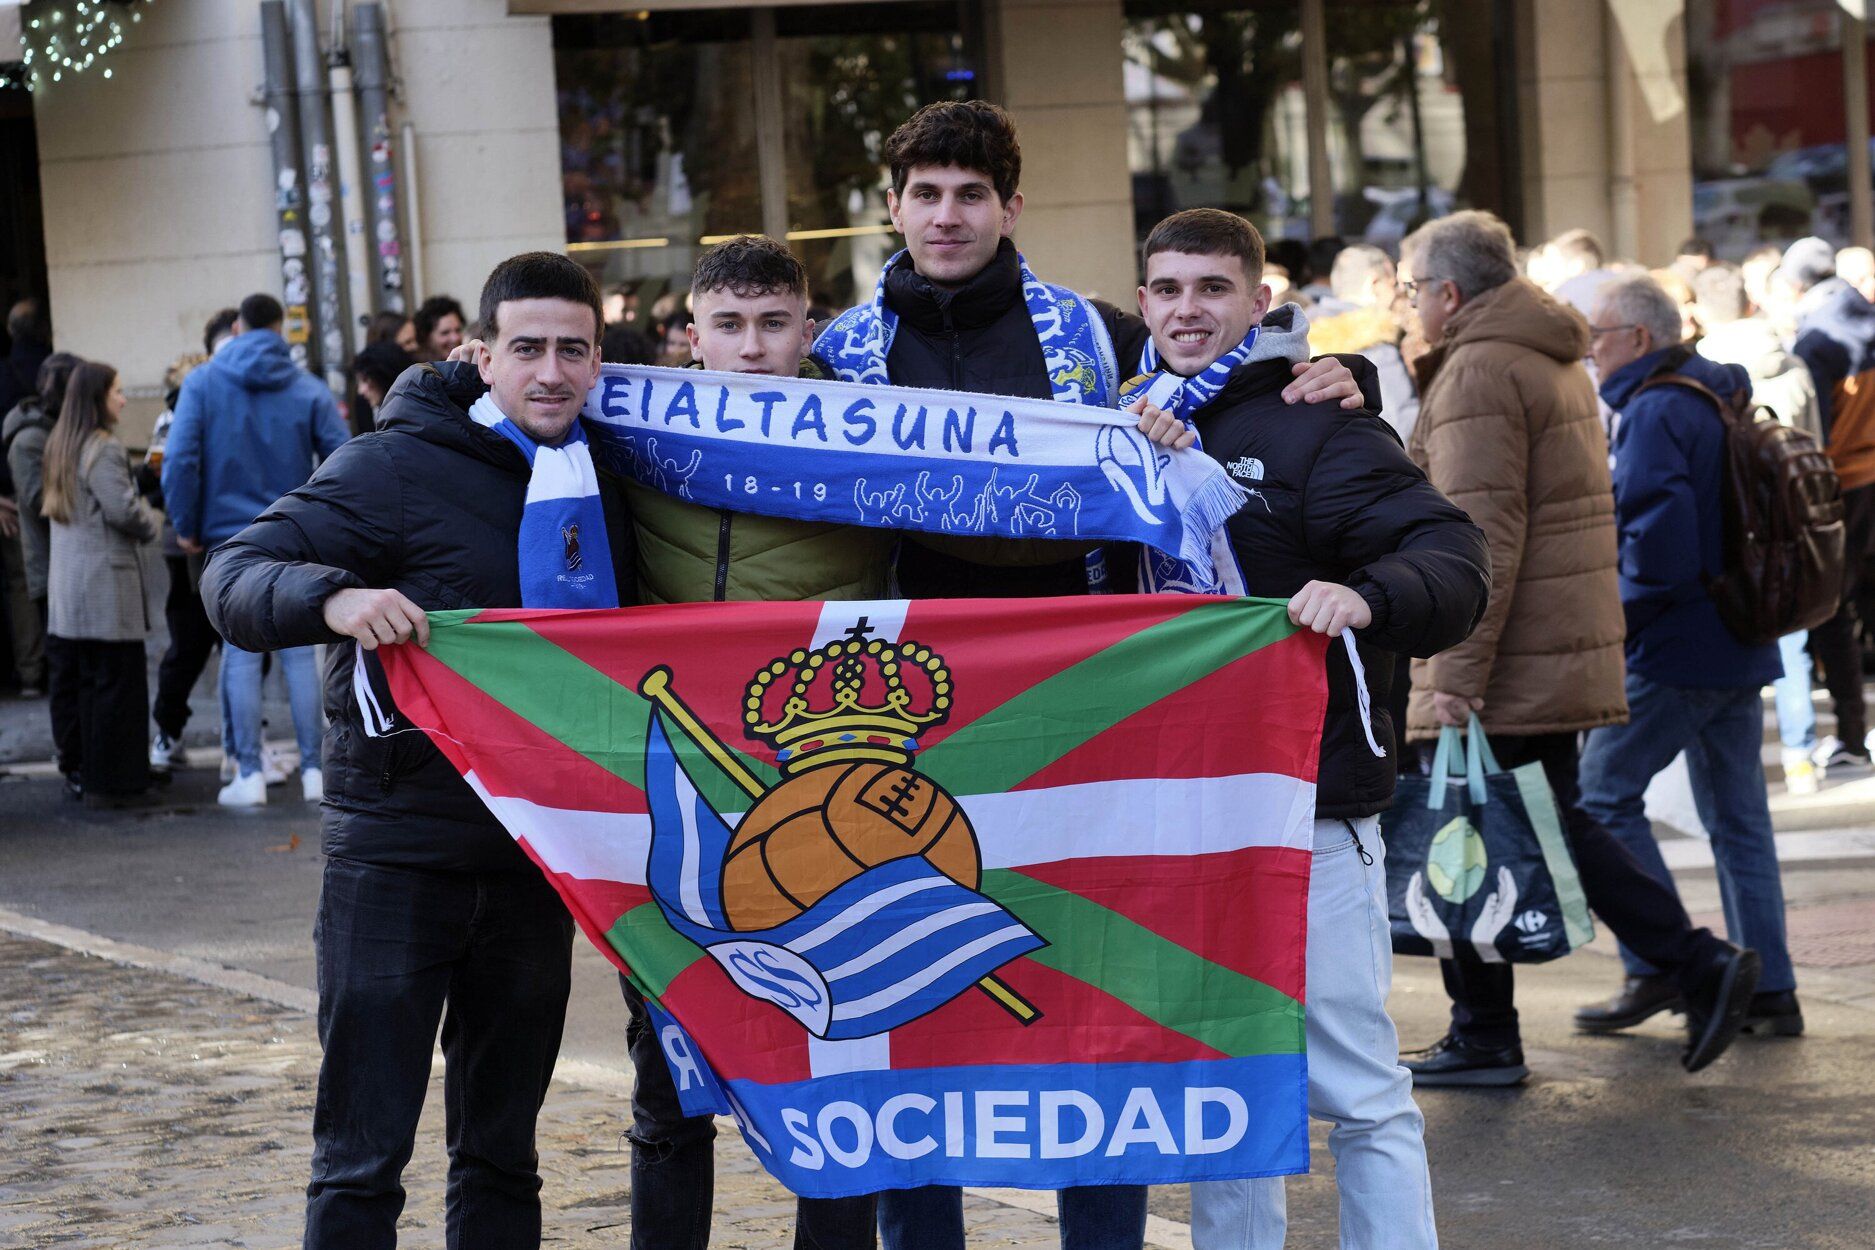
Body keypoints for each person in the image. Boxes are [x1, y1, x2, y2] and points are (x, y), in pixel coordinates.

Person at [814, 98, 1363, 1250]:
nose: (948, 215)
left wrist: (1336, 370)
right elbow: (704, 406)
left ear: (1013, 207)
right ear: (896, 206)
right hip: (912, 721)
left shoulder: (1095, 332)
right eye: (927, 193)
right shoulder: (839, 353)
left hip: (1085, 712)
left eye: (972, 194)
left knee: (1082, 982)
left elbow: (1220, 364)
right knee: (920, 1001)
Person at [204, 251, 636, 1249]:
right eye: (527, 348)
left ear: (599, 360)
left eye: (574, 350)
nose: (552, 371)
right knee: (361, 1159)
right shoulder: (394, 463)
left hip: (533, 856)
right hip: (397, 858)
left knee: (500, 1154)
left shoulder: (605, 470)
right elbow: (234, 574)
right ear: (480, 355)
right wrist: (333, 596)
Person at [1127, 208, 1489, 1250]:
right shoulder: (1113, 422)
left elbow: (1452, 554)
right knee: (1225, 1088)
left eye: (1212, 288)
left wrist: (1369, 592)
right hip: (1180, 809)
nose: (1188, 309)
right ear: (1142, 302)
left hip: (1311, 804)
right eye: (1168, 289)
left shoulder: (1319, 423)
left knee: (1357, 1083)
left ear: (1260, 302)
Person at [1396, 213, 1763, 1084]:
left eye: (1414, 288)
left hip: (1508, 653)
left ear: (1449, 293)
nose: (1409, 304)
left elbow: (1478, 530)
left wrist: (1453, 669)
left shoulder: (1483, 366)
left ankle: (1510, 1024)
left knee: (1473, 830)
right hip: (1546, 647)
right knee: (1537, 823)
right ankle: (1514, 1021)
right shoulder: (1543, 353)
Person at [610, 234, 889, 1250]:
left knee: (834, 1061)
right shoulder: (627, 429)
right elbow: (504, 416)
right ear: (692, 337)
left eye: (775, 323)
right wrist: (451, 376)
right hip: (675, 783)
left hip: (825, 790)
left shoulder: (884, 433)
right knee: (667, 1077)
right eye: (728, 325)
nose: (753, 346)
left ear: (809, 329)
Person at [1576, 271, 1795, 1041]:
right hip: (1739, 631)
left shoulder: (1656, 407)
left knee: (1598, 799)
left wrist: (1620, 622)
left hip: (1677, 643)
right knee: (1739, 822)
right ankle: (1768, 989)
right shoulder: (1713, 393)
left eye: (1596, 339)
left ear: (1637, 339)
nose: (1590, 354)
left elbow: (1657, 541)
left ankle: (1661, 965)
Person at [162, 292, 349, 806]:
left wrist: (186, 526)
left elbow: (180, 460)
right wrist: (321, 522)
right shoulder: (306, 388)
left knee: (240, 653)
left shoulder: (201, 383)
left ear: (240, 326)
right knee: (298, 652)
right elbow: (344, 458)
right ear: (280, 329)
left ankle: (248, 772)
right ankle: (315, 770)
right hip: (292, 535)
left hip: (225, 538)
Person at [1693, 262, 1825, 794]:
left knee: (1746, 643)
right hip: (1797, 522)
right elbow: (1815, 441)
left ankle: (1748, 768)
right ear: (1750, 303)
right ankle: (1800, 756)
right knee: (1792, 641)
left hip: (1738, 530)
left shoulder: (1702, 369)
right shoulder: (1793, 363)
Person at [41, 360, 164, 808]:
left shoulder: (61, 442)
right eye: (116, 391)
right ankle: (117, 783)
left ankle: (94, 776)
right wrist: (152, 516)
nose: (124, 398)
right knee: (118, 688)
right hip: (105, 588)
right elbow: (123, 511)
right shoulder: (103, 448)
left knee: (91, 687)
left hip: (73, 587)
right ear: (97, 398)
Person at [1777, 237, 1875, 774]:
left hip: (1844, 484)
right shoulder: (1865, 316)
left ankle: (1853, 738)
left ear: (1796, 285)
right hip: (1869, 477)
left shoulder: (1815, 337)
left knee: (1835, 613)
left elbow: (1815, 431)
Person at [5, 351, 80, 784]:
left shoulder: (49, 432)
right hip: (49, 566)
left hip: (64, 564)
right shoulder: (30, 440)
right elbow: (39, 502)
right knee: (64, 670)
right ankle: (70, 760)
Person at [1307, 242, 1420, 442]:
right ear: (1374, 284)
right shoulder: (1376, 339)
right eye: (1393, 284)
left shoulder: (1301, 333)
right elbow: (1400, 423)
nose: (1395, 295)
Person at [349, 342, 415, 436]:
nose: (361, 390)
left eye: (365, 380)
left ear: (382, 376)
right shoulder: (364, 407)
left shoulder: (415, 411)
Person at [413, 294, 467, 362]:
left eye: (458, 330)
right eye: (445, 333)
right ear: (426, 336)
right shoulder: (417, 370)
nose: (455, 338)